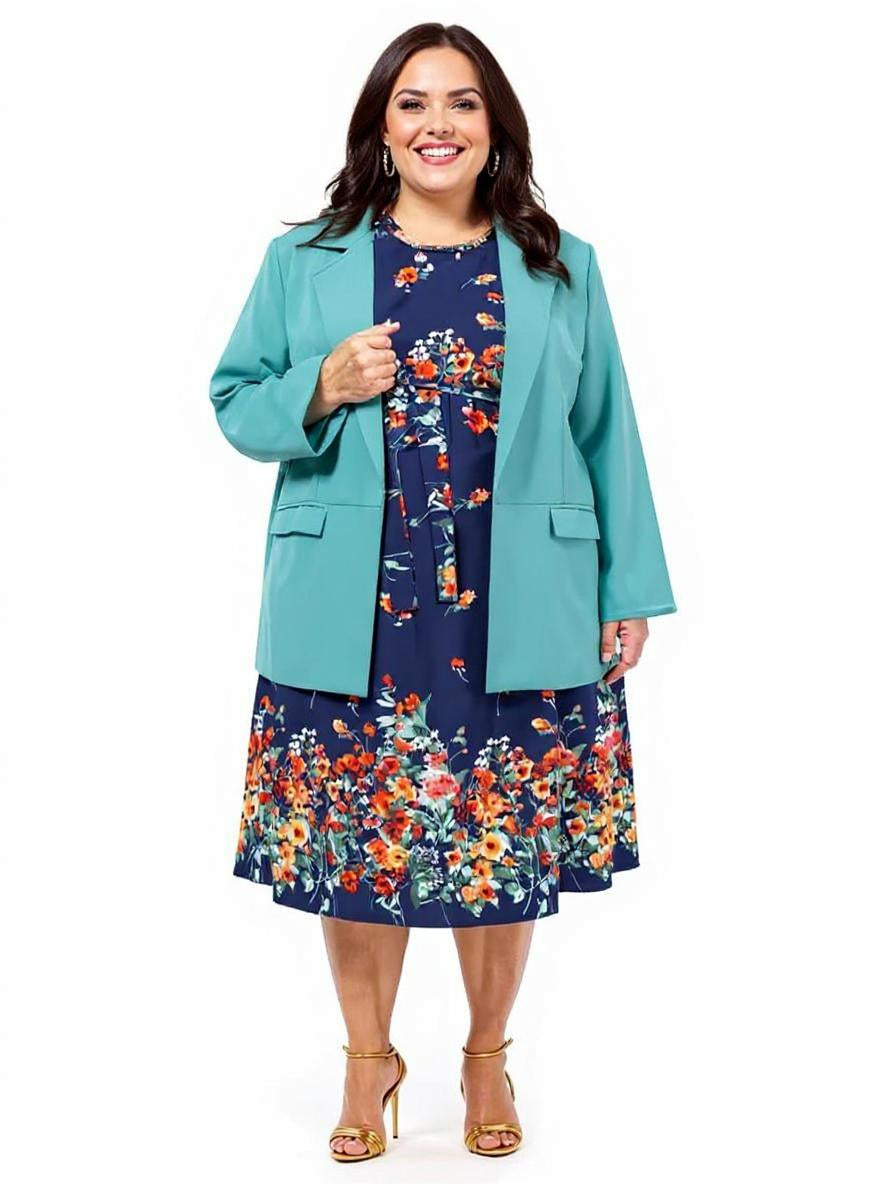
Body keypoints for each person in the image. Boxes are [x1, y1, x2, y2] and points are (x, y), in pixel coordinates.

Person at [209, 22, 676, 1163]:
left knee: (499, 838)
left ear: (493, 125)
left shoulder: (560, 262)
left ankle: (484, 1056)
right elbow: (233, 400)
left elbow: (606, 429)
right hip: (354, 602)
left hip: (520, 597)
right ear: (381, 125)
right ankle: (367, 1060)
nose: (437, 124)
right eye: (412, 102)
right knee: (353, 840)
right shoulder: (306, 259)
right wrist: (320, 384)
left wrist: (626, 587)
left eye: (461, 103)